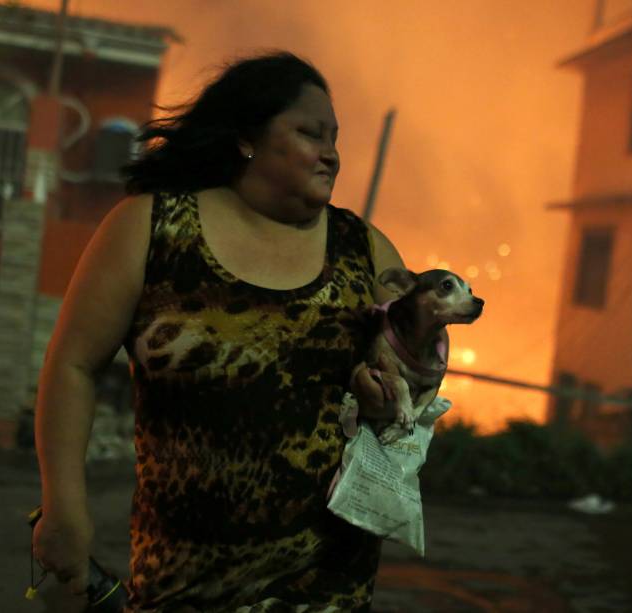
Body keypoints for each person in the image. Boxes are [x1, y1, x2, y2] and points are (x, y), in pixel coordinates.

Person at [32, 51, 405, 612]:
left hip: (328, 585)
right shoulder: (154, 229)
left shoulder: (364, 251)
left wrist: (396, 397)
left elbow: (415, 391)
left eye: (336, 138)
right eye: (310, 133)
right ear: (246, 137)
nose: (331, 154)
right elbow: (73, 365)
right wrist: (64, 504)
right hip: (184, 584)